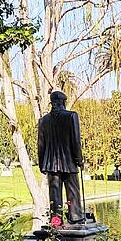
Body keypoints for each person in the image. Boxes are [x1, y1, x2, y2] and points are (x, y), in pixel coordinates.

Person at [37, 91, 85, 225]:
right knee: (73, 191)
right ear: (63, 102)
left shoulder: (43, 120)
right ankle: (75, 216)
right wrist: (79, 159)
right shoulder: (71, 116)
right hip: (69, 161)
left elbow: (41, 145)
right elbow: (76, 140)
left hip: (50, 164)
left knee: (55, 193)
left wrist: (42, 164)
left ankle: (56, 220)